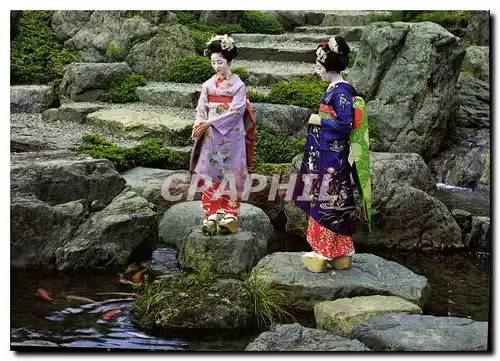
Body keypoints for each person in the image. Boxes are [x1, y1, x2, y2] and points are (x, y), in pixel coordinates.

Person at [292, 35, 360, 273]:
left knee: (327, 200)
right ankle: (341, 252)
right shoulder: (338, 89)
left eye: (319, 67)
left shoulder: (341, 92)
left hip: (332, 155)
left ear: (328, 67)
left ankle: (323, 252)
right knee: (334, 200)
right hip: (331, 153)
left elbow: (344, 125)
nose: (317, 71)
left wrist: (319, 120)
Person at [189, 34, 255, 235]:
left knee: (232, 172)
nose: (216, 66)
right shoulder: (208, 85)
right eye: (213, 62)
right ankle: (210, 214)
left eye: (220, 62)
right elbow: (201, 108)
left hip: (231, 136)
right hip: (211, 136)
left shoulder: (238, 85)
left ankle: (230, 214)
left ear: (229, 61)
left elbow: (236, 112)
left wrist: (211, 121)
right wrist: (199, 123)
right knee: (210, 172)